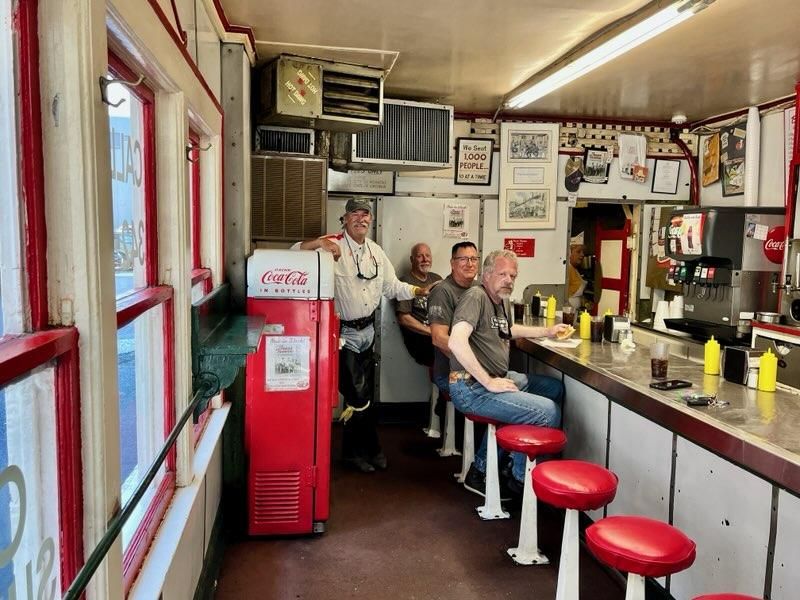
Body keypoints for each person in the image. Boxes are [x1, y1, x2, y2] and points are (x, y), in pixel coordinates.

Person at [295, 198, 429, 473]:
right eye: (354, 213)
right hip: (341, 335)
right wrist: (320, 244)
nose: (361, 218)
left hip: (368, 332)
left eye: (365, 214)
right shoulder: (330, 245)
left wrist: (419, 291)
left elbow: (392, 287)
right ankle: (372, 448)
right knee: (358, 396)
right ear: (344, 219)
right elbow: (295, 251)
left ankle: (354, 453)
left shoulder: (376, 252)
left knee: (362, 396)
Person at [447, 249, 569, 494]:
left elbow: (508, 330)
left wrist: (547, 331)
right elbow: (455, 342)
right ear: (487, 274)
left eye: (513, 275)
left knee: (554, 388)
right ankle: (518, 478)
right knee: (547, 412)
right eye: (503, 274)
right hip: (470, 386)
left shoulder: (500, 299)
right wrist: (490, 382)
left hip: (496, 378)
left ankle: (486, 467)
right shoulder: (475, 297)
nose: (509, 280)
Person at [396, 243, 442, 367]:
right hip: (421, 339)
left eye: (427, 255)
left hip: (439, 332)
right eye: (420, 256)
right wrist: (430, 331)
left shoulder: (437, 278)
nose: (425, 259)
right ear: (412, 260)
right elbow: (404, 318)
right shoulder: (405, 282)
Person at [567, 242, 587, 309]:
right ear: (569, 253)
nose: (582, 255)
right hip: (568, 312)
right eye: (578, 252)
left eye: (583, 252)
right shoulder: (568, 269)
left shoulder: (573, 268)